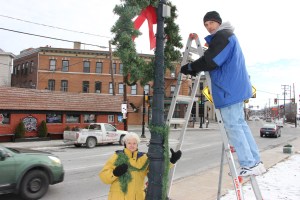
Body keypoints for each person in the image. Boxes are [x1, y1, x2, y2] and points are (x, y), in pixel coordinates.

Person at [180, 11, 265, 177]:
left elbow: (210, 61)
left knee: (234, 126)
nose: (208, 27)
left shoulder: (223, 36)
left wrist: (189, 67)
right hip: (234, 88)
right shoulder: (228, 37)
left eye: (211, 23)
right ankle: (255, 161)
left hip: (229, 90)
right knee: (240, 125)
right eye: (206, 24)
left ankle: (248, 163)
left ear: (218, 22)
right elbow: (214, 59)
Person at [99, 132, 182, 199]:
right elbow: (103, 177)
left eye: (134, 143)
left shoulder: (144, 158)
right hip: (119, 197)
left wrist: (172, 161)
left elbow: (156, 172)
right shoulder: (116, 157)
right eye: (129, 143)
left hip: (138, 197)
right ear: (125, 143)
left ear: (137, 144)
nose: (132, 145)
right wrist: (114, 173)